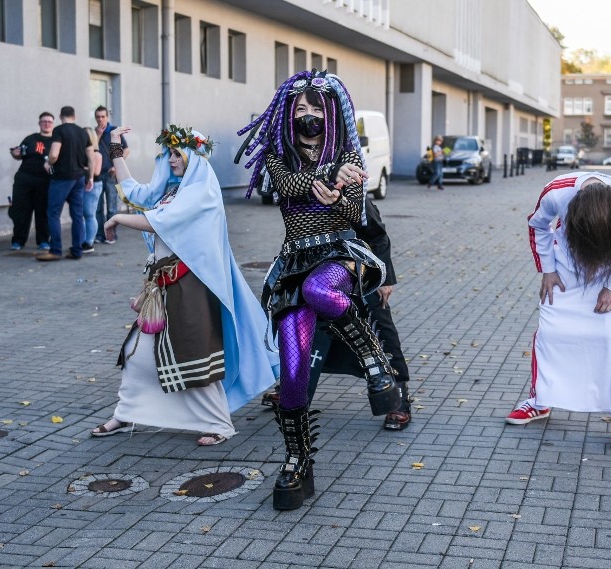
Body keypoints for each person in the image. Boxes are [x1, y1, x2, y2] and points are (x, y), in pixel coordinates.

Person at [235, 69, 401, 510]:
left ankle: (374, 360)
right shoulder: (278, 154)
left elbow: (352, 211)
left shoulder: (350, 153)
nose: (307, 116)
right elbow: (287, 185)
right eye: (300, 109)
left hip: (339, 257)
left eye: (315, 109)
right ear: (290, 113)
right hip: (293, 263)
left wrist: (342, 189)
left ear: (329, 114)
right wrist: (328, 176)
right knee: (292, 375)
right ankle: (297, 461)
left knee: (320, 291)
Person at [91, 124, 279, 446]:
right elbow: (136, 192)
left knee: (195, 357)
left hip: (189, 288)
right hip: (162, 286)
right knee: (136, 355)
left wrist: (118, 218)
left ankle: (219, 424)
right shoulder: (172, 190)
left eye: (178, 153)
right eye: (170, 153)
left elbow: (156, 221)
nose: (173, 159)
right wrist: (115, 148)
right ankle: (126, 413)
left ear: (194, 154)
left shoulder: (200, 191)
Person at [505, 172, 611, 450]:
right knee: (550, 334)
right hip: (566, 267)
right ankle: (540, 402)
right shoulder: (556, 192)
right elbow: (538, 225)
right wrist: (548, 270)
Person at [261, 194, 413, 431]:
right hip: (314, 274)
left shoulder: (351, 190)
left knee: (380, 328)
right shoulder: (297, 186)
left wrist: (386, 280)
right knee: (302, 331)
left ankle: (398, 399)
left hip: (357, 272)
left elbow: (377, 235)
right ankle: (292, 390)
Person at [38, 106, 93, 261]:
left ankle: (55, 250)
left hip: (62, 177)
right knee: (77, 215)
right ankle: (77, 251)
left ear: (61, 116)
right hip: (79, 177)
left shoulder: (59, 131)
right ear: (74, 116)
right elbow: (91, 156)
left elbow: (54, 154)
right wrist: (90, 178)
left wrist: (48, 163)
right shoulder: (83, 132)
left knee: (53, 213)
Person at [8, 112, 54, 251]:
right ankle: (18, 241)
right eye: (43, 121)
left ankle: (43, 241)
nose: (46, 124)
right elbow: (19, 154)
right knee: (21, 212)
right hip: (24, 179)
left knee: (43, 212)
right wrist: (14, 153)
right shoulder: (30, 139)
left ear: (53, 124)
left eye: (49, 121)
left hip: (45, 181)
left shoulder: (56, 141)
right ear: (39, 123)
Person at [93, 106, 128, 244]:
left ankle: (111, 235)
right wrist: (98, 135)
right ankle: (100, 235)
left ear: (107, 117)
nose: (100, 119)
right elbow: (90, 149)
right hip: (96, 175)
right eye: (98, 117)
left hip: (110, 174)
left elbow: (126, 150)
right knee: (98, 207)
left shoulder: (114, 132)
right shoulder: (93, 133)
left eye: (103, 116)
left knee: (112, 206)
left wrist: (116, 166)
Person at [80, 127, 103, 254]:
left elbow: (96, 172)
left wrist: (82, 167)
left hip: (94, 186)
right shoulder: (83, 152)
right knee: (82, 214)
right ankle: (83, 241)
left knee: (89, 214)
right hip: (83, 185)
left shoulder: (96, 154)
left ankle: (89, 242)